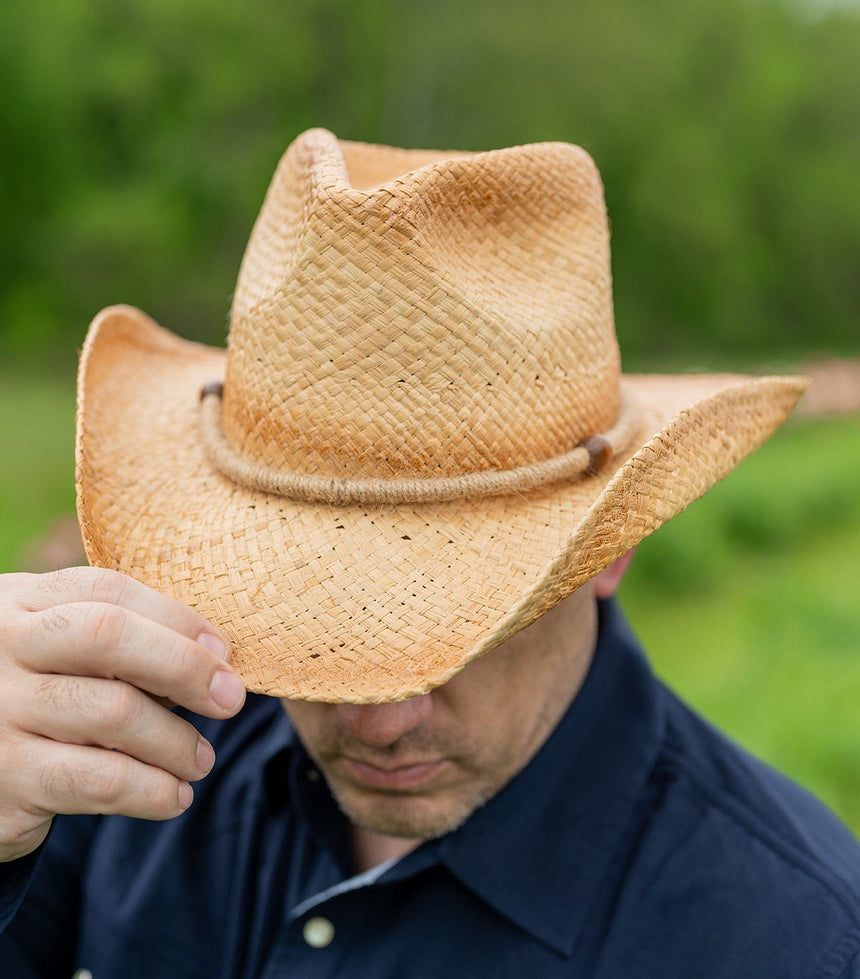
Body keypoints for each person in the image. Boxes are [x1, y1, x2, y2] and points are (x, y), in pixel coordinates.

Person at [0, 129, 858, 977]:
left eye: (461, 624)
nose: (379, 717)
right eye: (309, 614)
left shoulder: (790, 942)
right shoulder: (123, 752)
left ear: (612, 548)